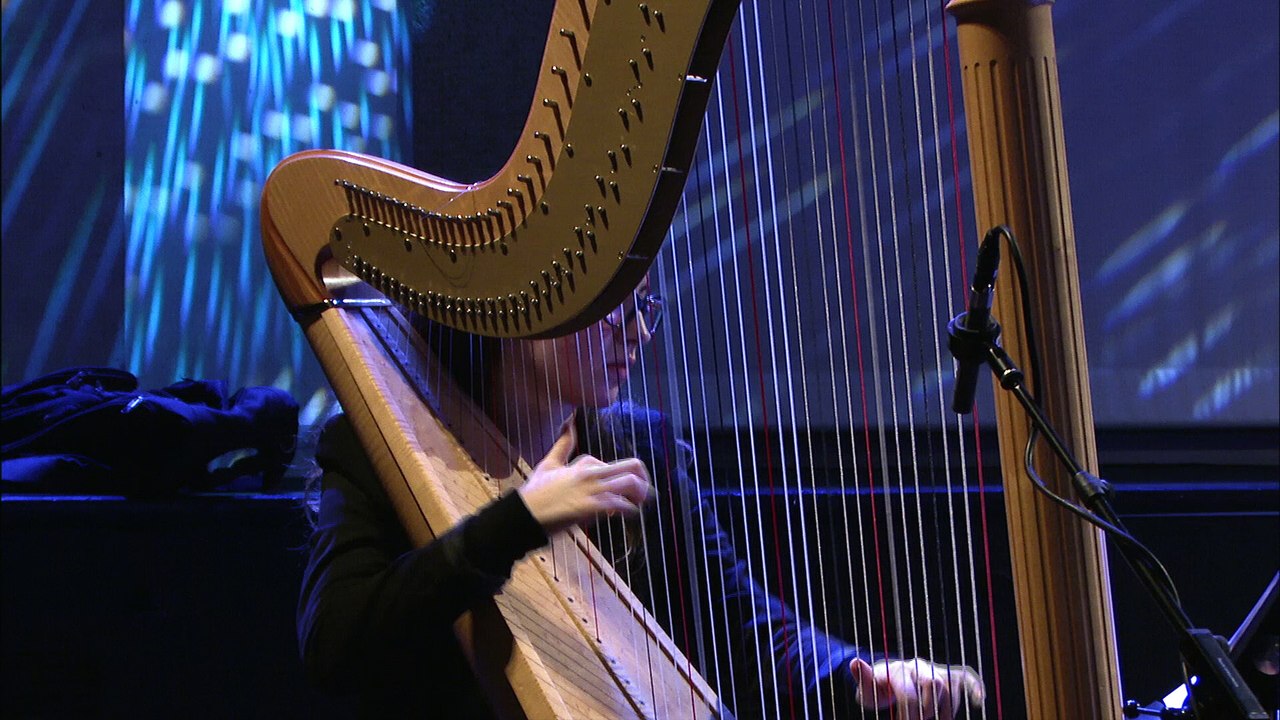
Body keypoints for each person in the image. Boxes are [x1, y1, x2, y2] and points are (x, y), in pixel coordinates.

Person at [297, 278, 985, 718]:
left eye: (645, 304)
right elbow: (337, 648)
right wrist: (520, 520)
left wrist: (862, 673)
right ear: (522, 301)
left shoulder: (639, 444)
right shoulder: (381, 447)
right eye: (611, 305)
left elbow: (743, 622)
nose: (638, 331)